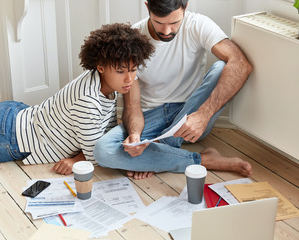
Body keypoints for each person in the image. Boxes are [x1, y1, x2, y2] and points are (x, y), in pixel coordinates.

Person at [0, 23, 154, 175]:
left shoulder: (103, 82)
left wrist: (78, 157)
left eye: (134, 70)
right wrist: (137, 166)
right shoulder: (87, 101)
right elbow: (99, 155)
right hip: (7, 136)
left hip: (13, 114)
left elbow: (101, 132)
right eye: (121, 71)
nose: (130, 78)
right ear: (100, 66)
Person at [94, 0, 253, 180]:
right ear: (147, 7)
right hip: (150, 118)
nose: (166, 31)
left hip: (190, 114)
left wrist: (203, 115)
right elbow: (132, 106)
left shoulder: (198, 24)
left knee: (223, 66)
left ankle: (159, 156)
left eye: (174, 23)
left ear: (185, 8)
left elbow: (241, 64)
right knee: (103, 150)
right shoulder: (134, 39)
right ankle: (202, 159)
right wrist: (135, 135)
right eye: (159, 22)